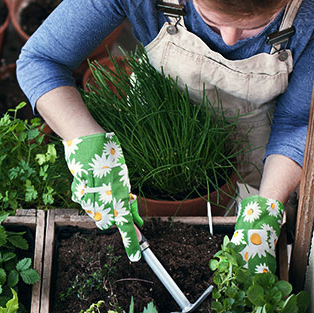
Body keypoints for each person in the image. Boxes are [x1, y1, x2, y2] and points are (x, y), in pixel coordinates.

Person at [16, 0, 314, 275]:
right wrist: (87, 141)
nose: (229, 38)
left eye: (255, 26)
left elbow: (297, 121)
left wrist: (267, 206)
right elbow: (41, 60)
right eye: (211, 21)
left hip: (260, 147)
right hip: (158, 129)